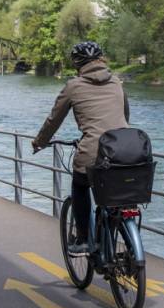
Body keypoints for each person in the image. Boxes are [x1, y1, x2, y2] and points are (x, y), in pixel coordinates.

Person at [32, 41, 129, 255]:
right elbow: (124, 116)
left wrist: (40, 141)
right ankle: (113, 238)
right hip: (126, 149)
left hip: (94, 151)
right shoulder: (117, 82)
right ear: (102, 59)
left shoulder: (73, 86)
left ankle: (84, 238)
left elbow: (54, 119)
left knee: (80, 184)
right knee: (113, 196)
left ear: (76, 63)